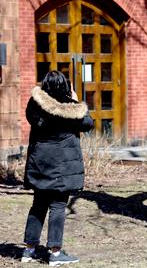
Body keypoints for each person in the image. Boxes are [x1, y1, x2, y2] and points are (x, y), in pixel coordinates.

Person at [21, 71, 94, 265]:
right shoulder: (71, 108)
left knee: (38, 205)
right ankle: (55, 253)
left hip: (40, 164)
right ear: (65, 86)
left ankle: (29, 250)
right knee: (58, 206)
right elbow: (88, 123)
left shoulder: (34, 105)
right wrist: (77, 101)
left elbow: (33, 117)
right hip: (62, 166)